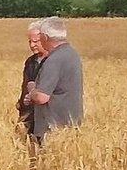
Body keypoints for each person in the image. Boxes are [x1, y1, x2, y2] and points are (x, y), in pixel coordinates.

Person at [26, 16, 84, 144]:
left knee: (49, 162)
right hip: (71, 123)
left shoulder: (54, 60)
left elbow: (42, 97)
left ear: (46, 37)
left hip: (53, 127)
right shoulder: (72, 54)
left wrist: (32, 91)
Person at [17, 26, 46, 136]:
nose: (32, 45)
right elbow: (25, 86)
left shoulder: (52, 62)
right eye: (30, 42)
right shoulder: (30, 62)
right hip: (29, 113)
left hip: (45, 115)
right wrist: (22, 104)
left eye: (35, 41)